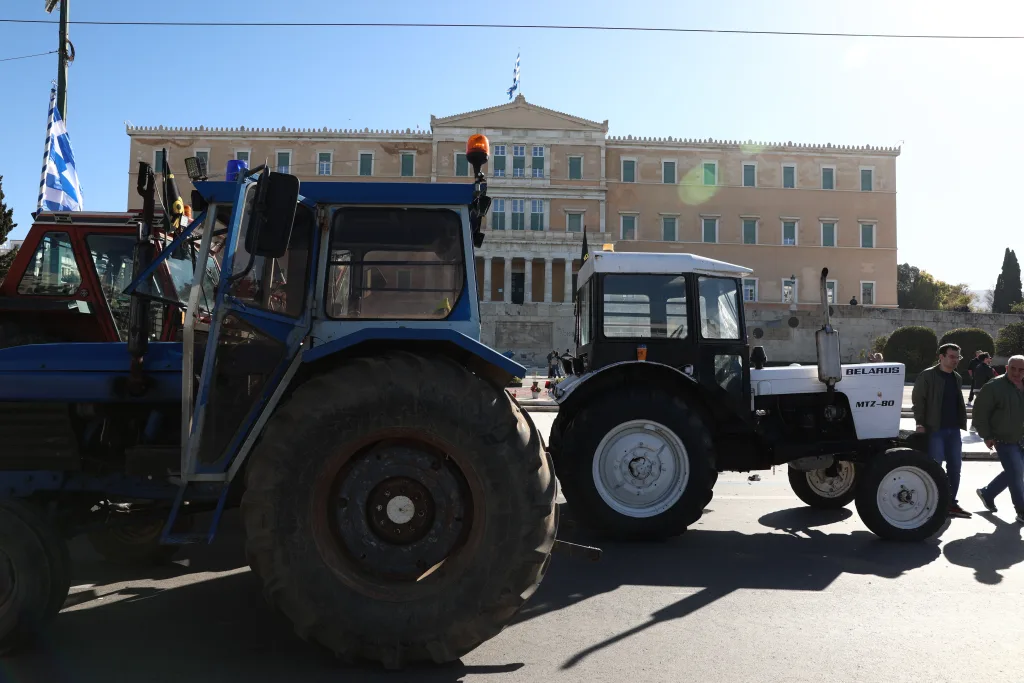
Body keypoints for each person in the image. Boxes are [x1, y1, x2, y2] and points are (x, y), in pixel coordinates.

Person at [912, 343, 971, 518]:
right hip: (935, 428)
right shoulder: (928, 375)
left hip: (954, 429)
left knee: (955, 467)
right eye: (952, 357)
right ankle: (933, 502)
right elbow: (918, 400)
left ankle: (951, 503)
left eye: (958, 357)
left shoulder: (957, 377)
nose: (955, 361)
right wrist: (920, 423)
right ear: (941, 357)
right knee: (935, 466)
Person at [973, 355, 1024, 523]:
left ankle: (987, 493)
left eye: (1021, 369)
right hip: (1004, 439)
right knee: (1016, 473)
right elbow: (980, 413)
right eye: (1013, 368)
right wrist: (986, 435)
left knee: (1014, 471)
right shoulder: (994, 386)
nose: (1017, 373)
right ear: (1007, 368)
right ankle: (1021, 510)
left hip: (1022, 439)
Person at [969, 353, 996, 431]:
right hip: (984, 390)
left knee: (980, 408)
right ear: (985, 359)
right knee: (986, 409)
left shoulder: (978, 367)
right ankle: (979, 426)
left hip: (977, 389)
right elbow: (992, 379)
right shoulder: (987, 368)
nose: (990, 359)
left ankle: (974, 425)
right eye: (989, 358)